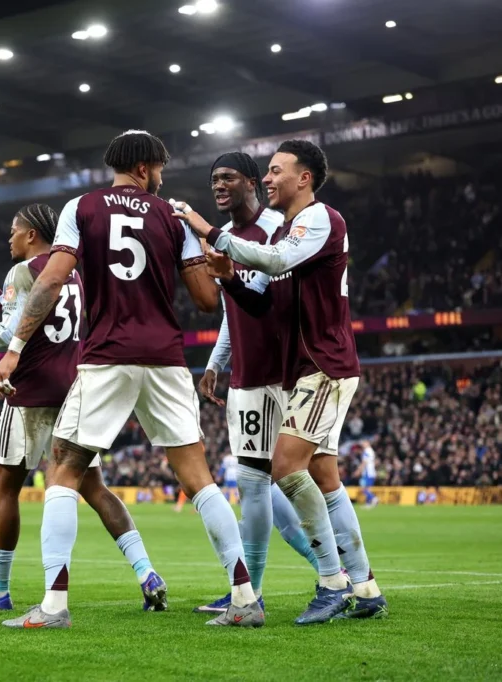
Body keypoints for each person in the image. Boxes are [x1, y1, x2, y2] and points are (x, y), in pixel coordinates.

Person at [0, 130, 264, 629]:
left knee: (64, 469)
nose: (161, 178)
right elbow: (206, 300)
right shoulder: (172, 217)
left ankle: (53, 605)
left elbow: (51, 280)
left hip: (108, 356)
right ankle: (245, 597)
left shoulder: (82, 208)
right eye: (158, 169)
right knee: (198, 477)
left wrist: (13, 349)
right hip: (165, 357)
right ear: (143, 168)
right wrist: (215, 264)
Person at [177, 139, 388, 624]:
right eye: (267, 171)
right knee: (323, 474)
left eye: (275, 171)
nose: (269, 178)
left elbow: (273, 265)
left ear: (304, 177)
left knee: (285, 467)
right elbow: (257, 300)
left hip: (323, 364)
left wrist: (209, 231)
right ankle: (366, 586)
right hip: (308, 368)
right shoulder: (290, 229)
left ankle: (331, 584)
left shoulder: (318, 220)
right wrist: (228, 280)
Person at [0, 203, 167, 613]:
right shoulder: (71, 274)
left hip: (29, 394)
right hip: (71, 393)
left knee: (5, 487)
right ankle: (146, 572)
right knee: (94, 488)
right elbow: (29, 318)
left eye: (14, 231)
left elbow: (7, 334)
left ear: (32, 234)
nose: (9, 238)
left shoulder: (24, 271)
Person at [192, 153, 322, 615]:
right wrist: (216, 362)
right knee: (258, 485)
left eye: (228, 178)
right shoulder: (230, 242)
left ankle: (261, 588)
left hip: (283, 372)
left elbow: (265, 301)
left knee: (280, 482)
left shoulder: (274, 230)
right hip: (246, 374)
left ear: (252, 182)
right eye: (214, 180)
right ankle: (279, 582)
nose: (219, 186)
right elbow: (233, 307)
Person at [353, 440, 379, 508]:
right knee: (368, 489)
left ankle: (374, 498)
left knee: (363, 488)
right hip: (371, 472)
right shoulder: (371, 451)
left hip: (368, 472)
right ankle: (368, 503)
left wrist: (358, 471)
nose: (363, 444)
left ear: (368, 443)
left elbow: (364, 462)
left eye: (364, 443)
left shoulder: (367, 451)